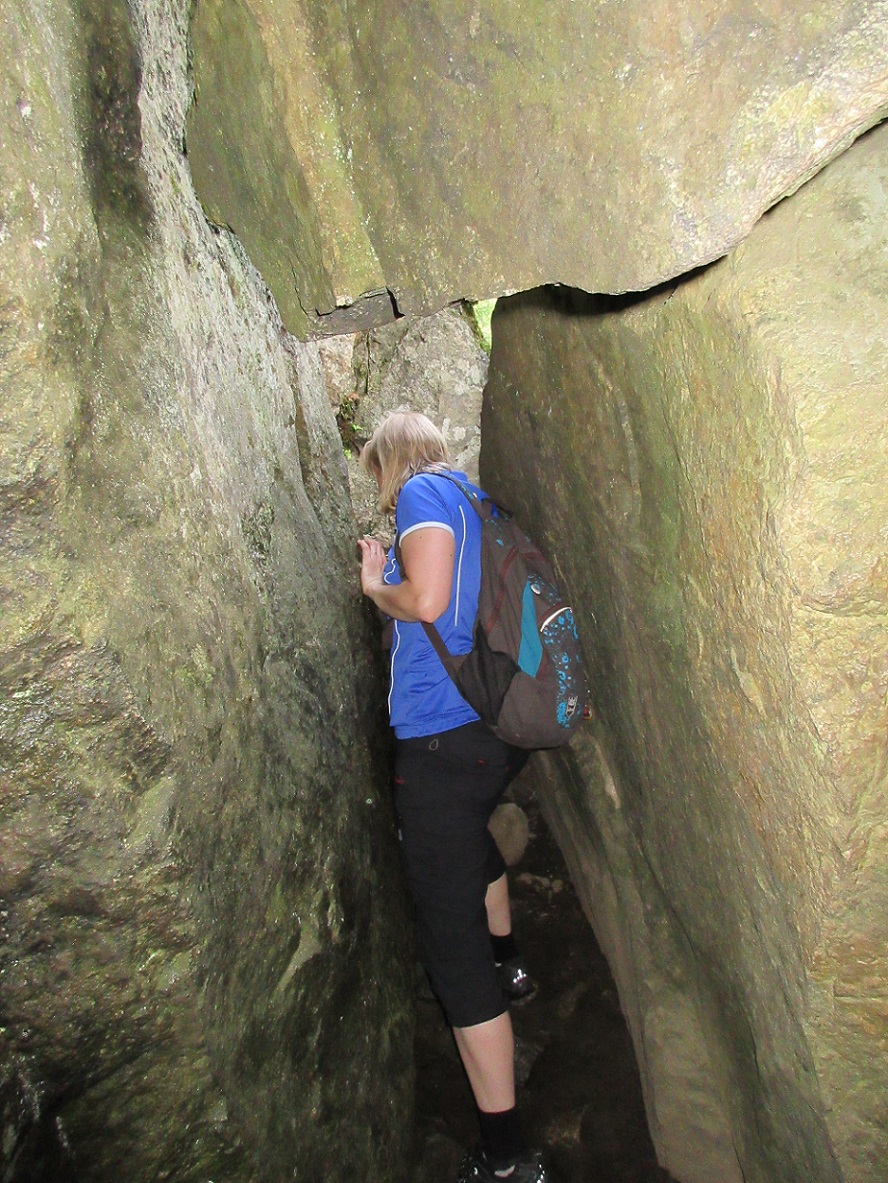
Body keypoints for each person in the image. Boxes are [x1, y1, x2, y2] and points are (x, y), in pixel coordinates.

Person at [358, 411, 551, 1183]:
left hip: (442, 743)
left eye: (376, 475)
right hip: (495, 729)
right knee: (468, 839)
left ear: (391, 461)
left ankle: (507, 1156)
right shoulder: (475, 499)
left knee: (451, 952)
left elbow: (429, 600)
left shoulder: (420, 495)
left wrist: (378, 587)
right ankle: (512, 963)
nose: (380, 492)